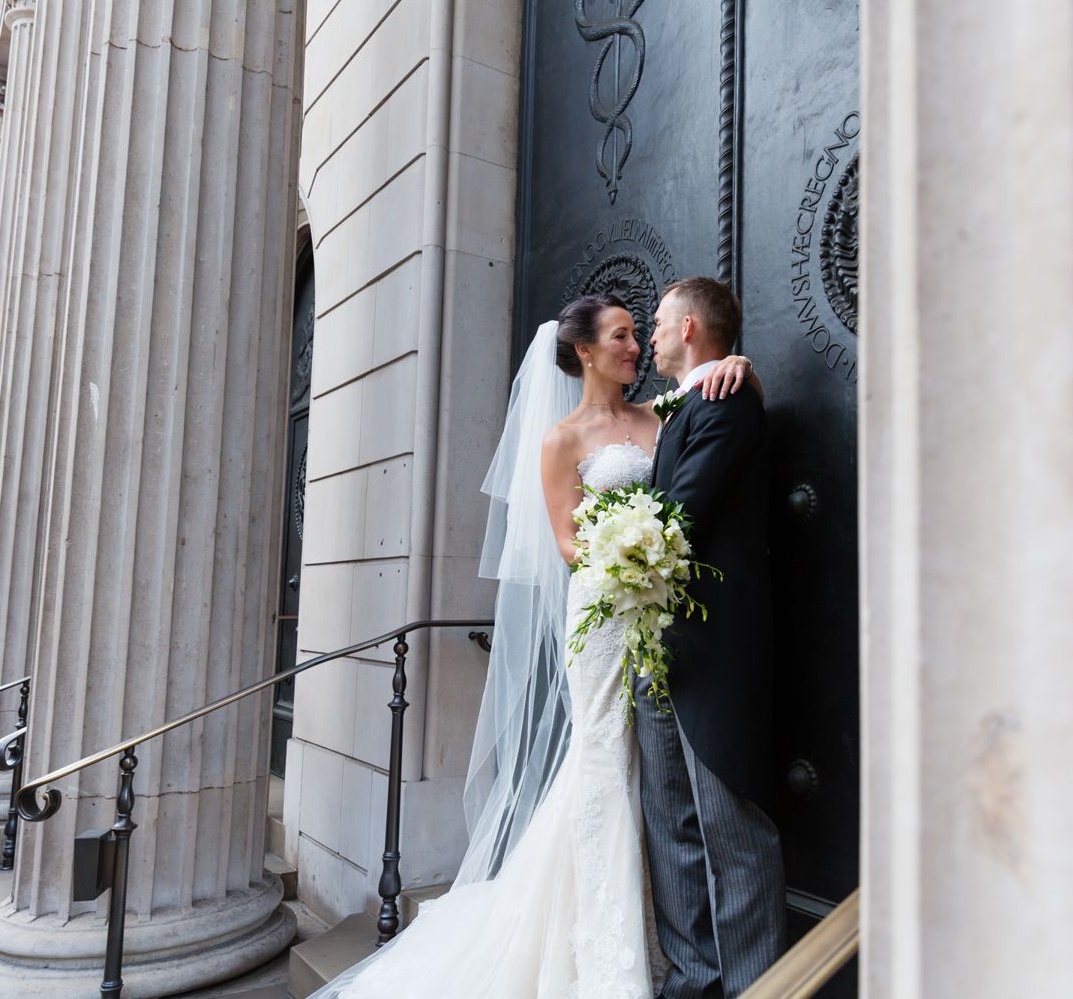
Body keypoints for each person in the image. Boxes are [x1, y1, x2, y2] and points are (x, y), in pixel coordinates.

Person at [310, 293, 758, 998]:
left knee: (661, 777)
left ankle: (681, 951)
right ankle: (616, 956)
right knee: (608, 763)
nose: (636, 344)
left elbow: (708, 402)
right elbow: (568, 543)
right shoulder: (560, 440)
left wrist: (739, 363)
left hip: (669, 617)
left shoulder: (660, 416)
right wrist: (625, 554)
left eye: (641, 333)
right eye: (621, 334)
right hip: (606, 611)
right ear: (584, 350)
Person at [638, 277, 786, 998]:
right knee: (672, 829)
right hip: (659, 650)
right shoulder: (679, 406)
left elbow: (680, 514)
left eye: (660, 323)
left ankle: (756, 986)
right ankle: (692, 983)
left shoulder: (726, 403)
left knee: (731, 832)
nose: (651, 335)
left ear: (692, 327)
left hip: (715, 654)